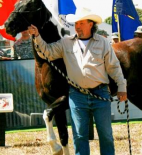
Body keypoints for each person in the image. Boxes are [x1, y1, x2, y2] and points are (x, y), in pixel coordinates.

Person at [28, 10, 127, 155]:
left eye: (81, 23)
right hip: (77, 96)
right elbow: (47, 52)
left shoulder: (103, 42)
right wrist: (37, 36)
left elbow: (113, 67)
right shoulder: (66, 42)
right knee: (79, 136)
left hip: (100, 94)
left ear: (90, 24)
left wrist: (122, 87)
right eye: (76, 23)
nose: (77, 26)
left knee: (105, 136)